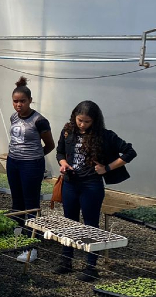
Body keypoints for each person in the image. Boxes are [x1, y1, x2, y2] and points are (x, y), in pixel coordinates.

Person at [56, 101, 136, 281]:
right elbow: (60, 152)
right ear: (74, 116)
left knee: (91, 225)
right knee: (70, 222)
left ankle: (90, 267)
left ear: (95, 121)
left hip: (91, 185)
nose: (82, 124)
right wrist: (63, 164)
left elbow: (129, 152)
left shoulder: (104, 136)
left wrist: (107, 168)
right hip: (70, 182)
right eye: (79, 120)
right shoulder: (68, 131)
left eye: (87, 122)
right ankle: (66, 261)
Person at [7, 77, 55, 263]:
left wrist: (34, 157)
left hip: (31, 165)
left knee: (31, 203)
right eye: (15, 101)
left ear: (30, 101)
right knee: (16, 201)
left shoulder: (39, 120)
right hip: (13, 162)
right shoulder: (13, 117)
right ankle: (16, 237)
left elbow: (49, 145)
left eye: (23, 101)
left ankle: (31, 245)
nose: (19, 105)